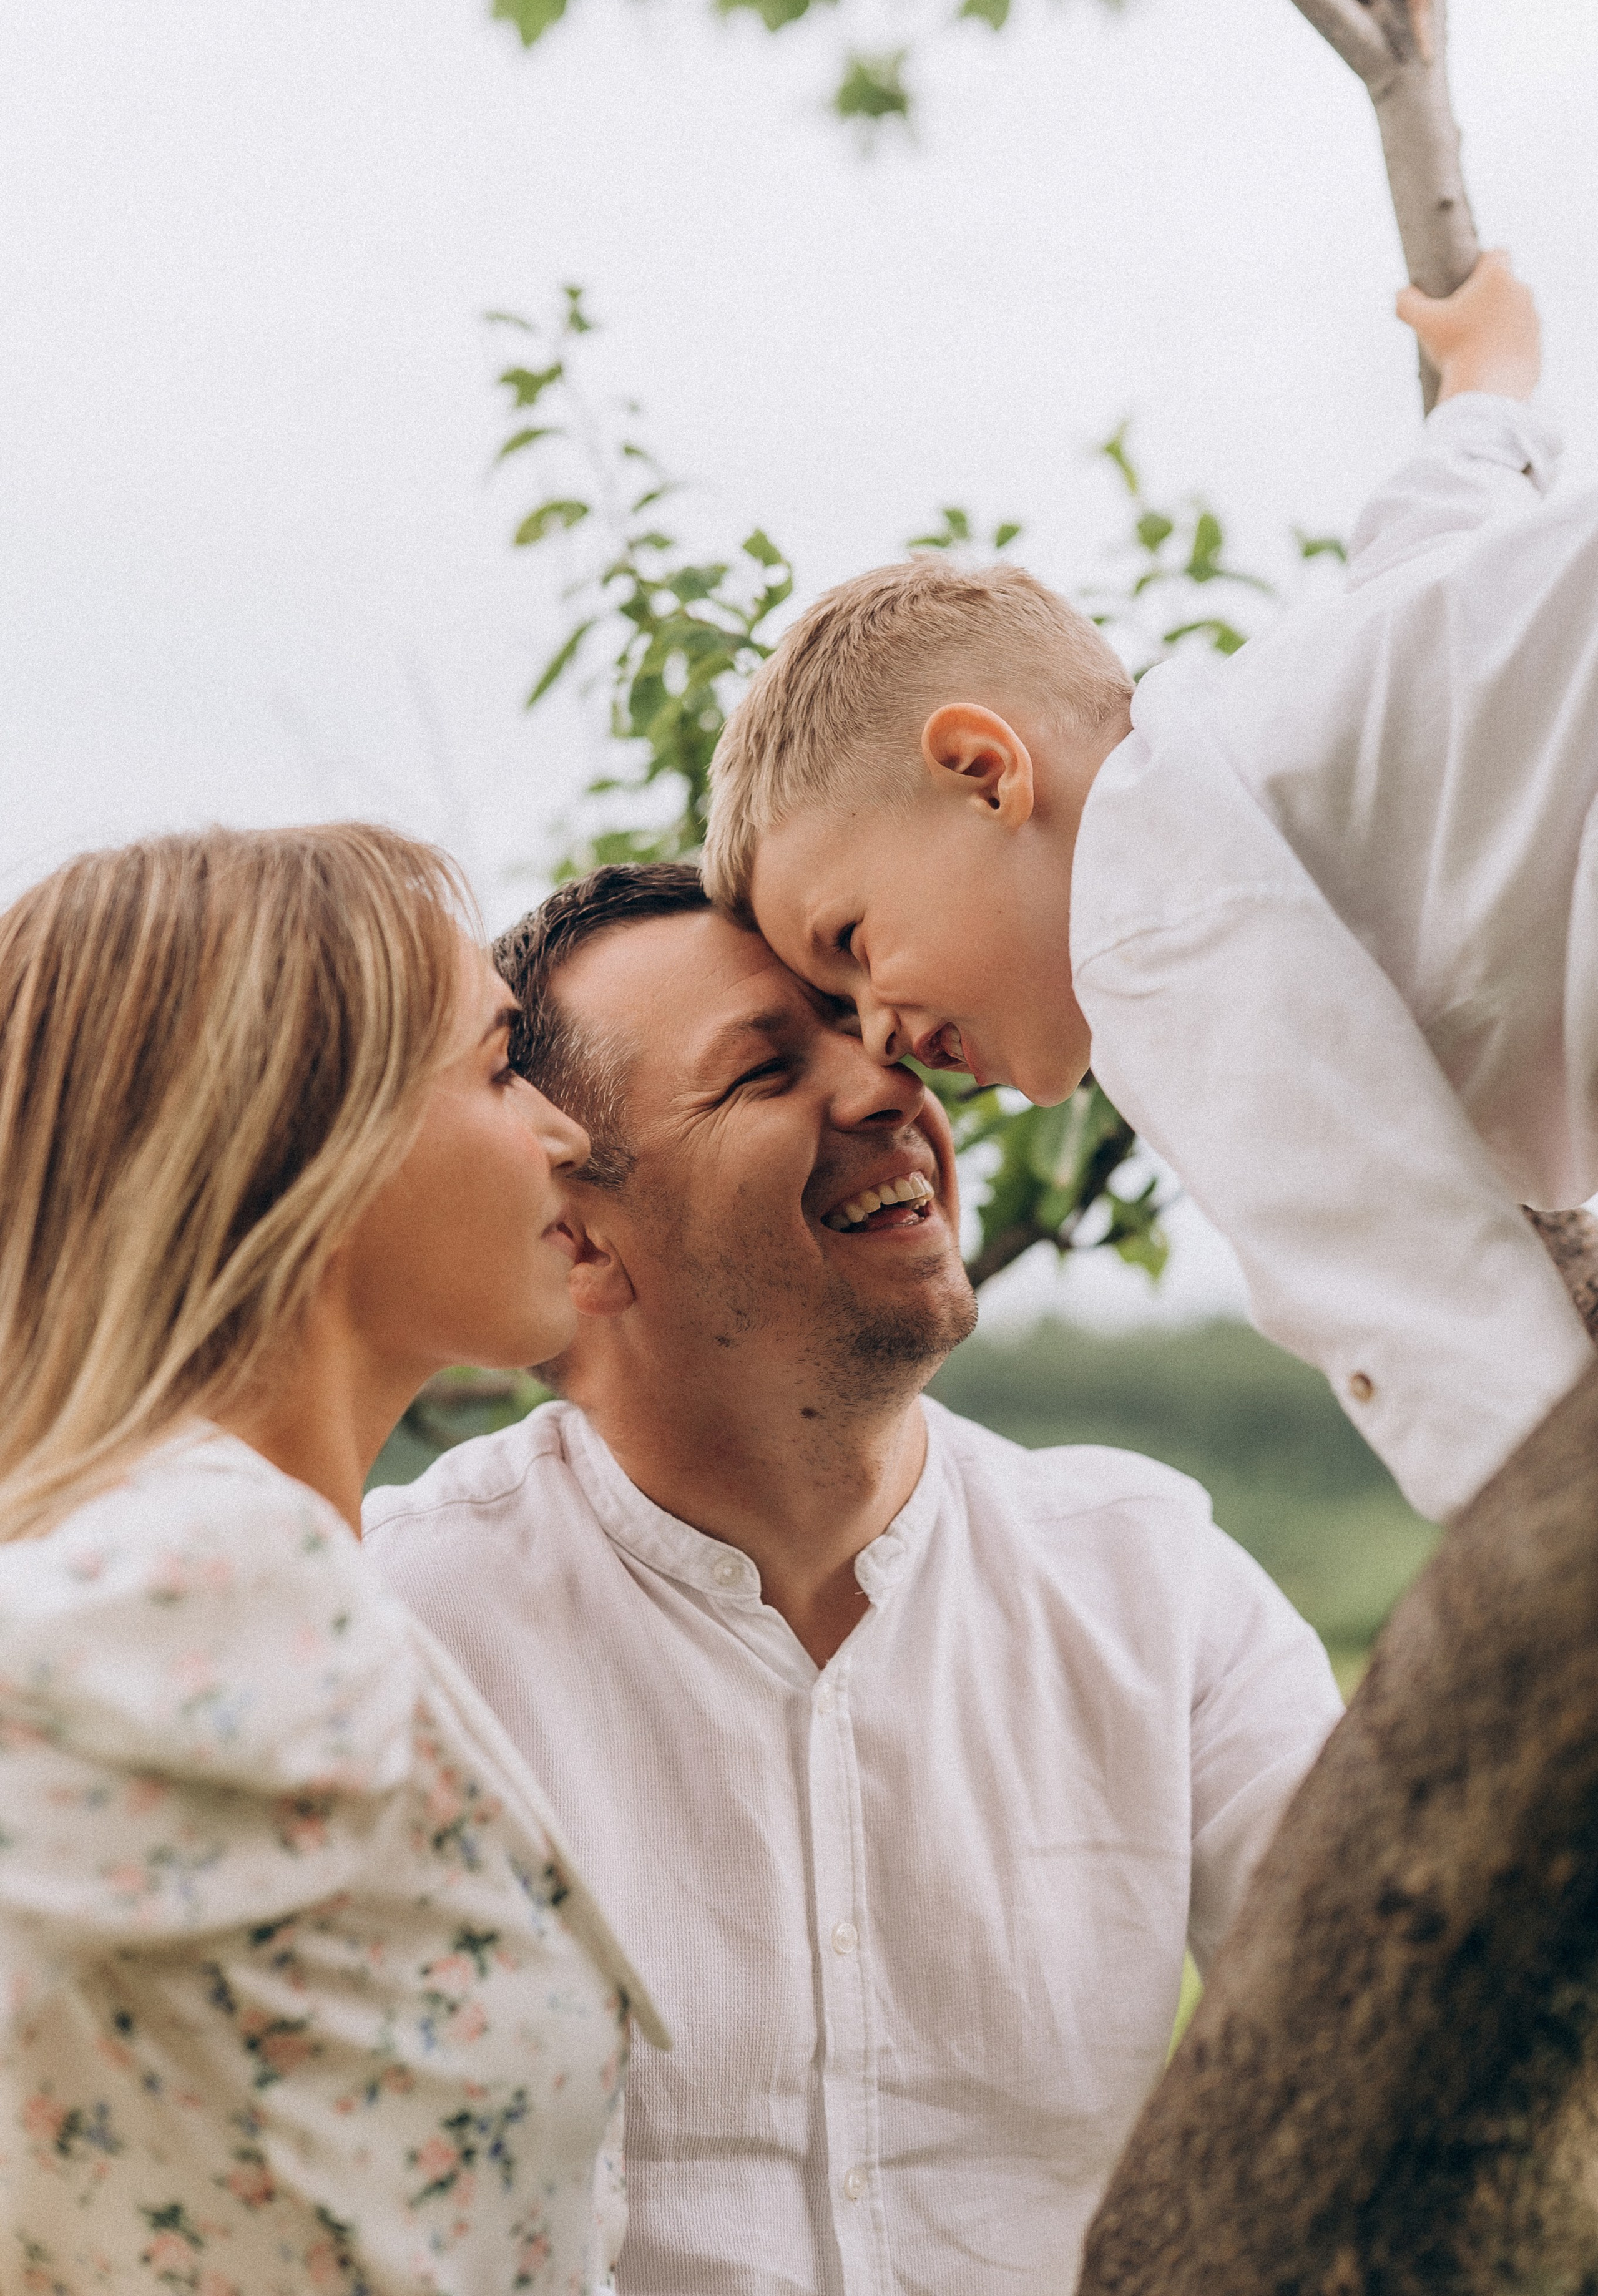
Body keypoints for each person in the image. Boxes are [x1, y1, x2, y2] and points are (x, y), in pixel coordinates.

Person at [363, 860, 1343, 2296]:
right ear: (575, 1237)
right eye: (763, 1070)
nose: (887, 1089)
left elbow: (1413, 2005)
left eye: (865, 1034)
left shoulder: (1155, 1585)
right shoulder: (401, 1634)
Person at [702, 254, 1598, 1528]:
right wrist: (1488, 379)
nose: (881, 1034)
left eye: (849, 941)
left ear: (983, 775)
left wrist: (1536, 1524)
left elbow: (1388, 1263)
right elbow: (1436, 538)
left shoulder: (1139, 900)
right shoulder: (1300, 736)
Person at [0, 824, 666, 2296]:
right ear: (307, 1140)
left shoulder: (249, 1559)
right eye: (496, 1070)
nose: (562, 1135)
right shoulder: (227, 1562)